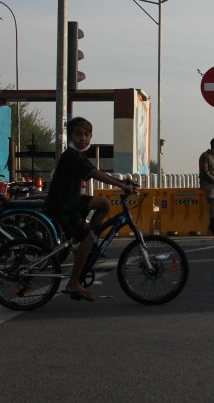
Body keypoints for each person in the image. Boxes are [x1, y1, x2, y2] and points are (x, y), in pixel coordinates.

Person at [45, 117, 134, 302]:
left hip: (73, 200)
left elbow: (95, 170)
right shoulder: (71, 156)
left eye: (86, 135)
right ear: (71, 136)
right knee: (87, 236)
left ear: (91, 136)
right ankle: (74, 282)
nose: (83, 138)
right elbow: (94, 174)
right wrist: (121, 186)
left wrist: (121, 182)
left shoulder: (78, 154)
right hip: (63, 205)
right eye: (78, 134)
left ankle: (90, 243)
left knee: (103, 204)